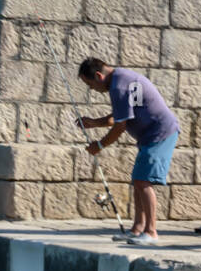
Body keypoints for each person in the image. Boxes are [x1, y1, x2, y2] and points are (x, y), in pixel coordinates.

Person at [76, 57, 179, 242]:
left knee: (143, 181)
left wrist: (99, 145)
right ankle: (138, 228)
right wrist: (93, 122)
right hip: (150, 136)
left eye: (90, 85)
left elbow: (120, 126)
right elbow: (121, 115)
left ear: (99, 76)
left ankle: (151, 231)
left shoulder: (119, 86)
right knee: (138, 181)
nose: (93, 90)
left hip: (160, 133)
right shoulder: (122, 79)